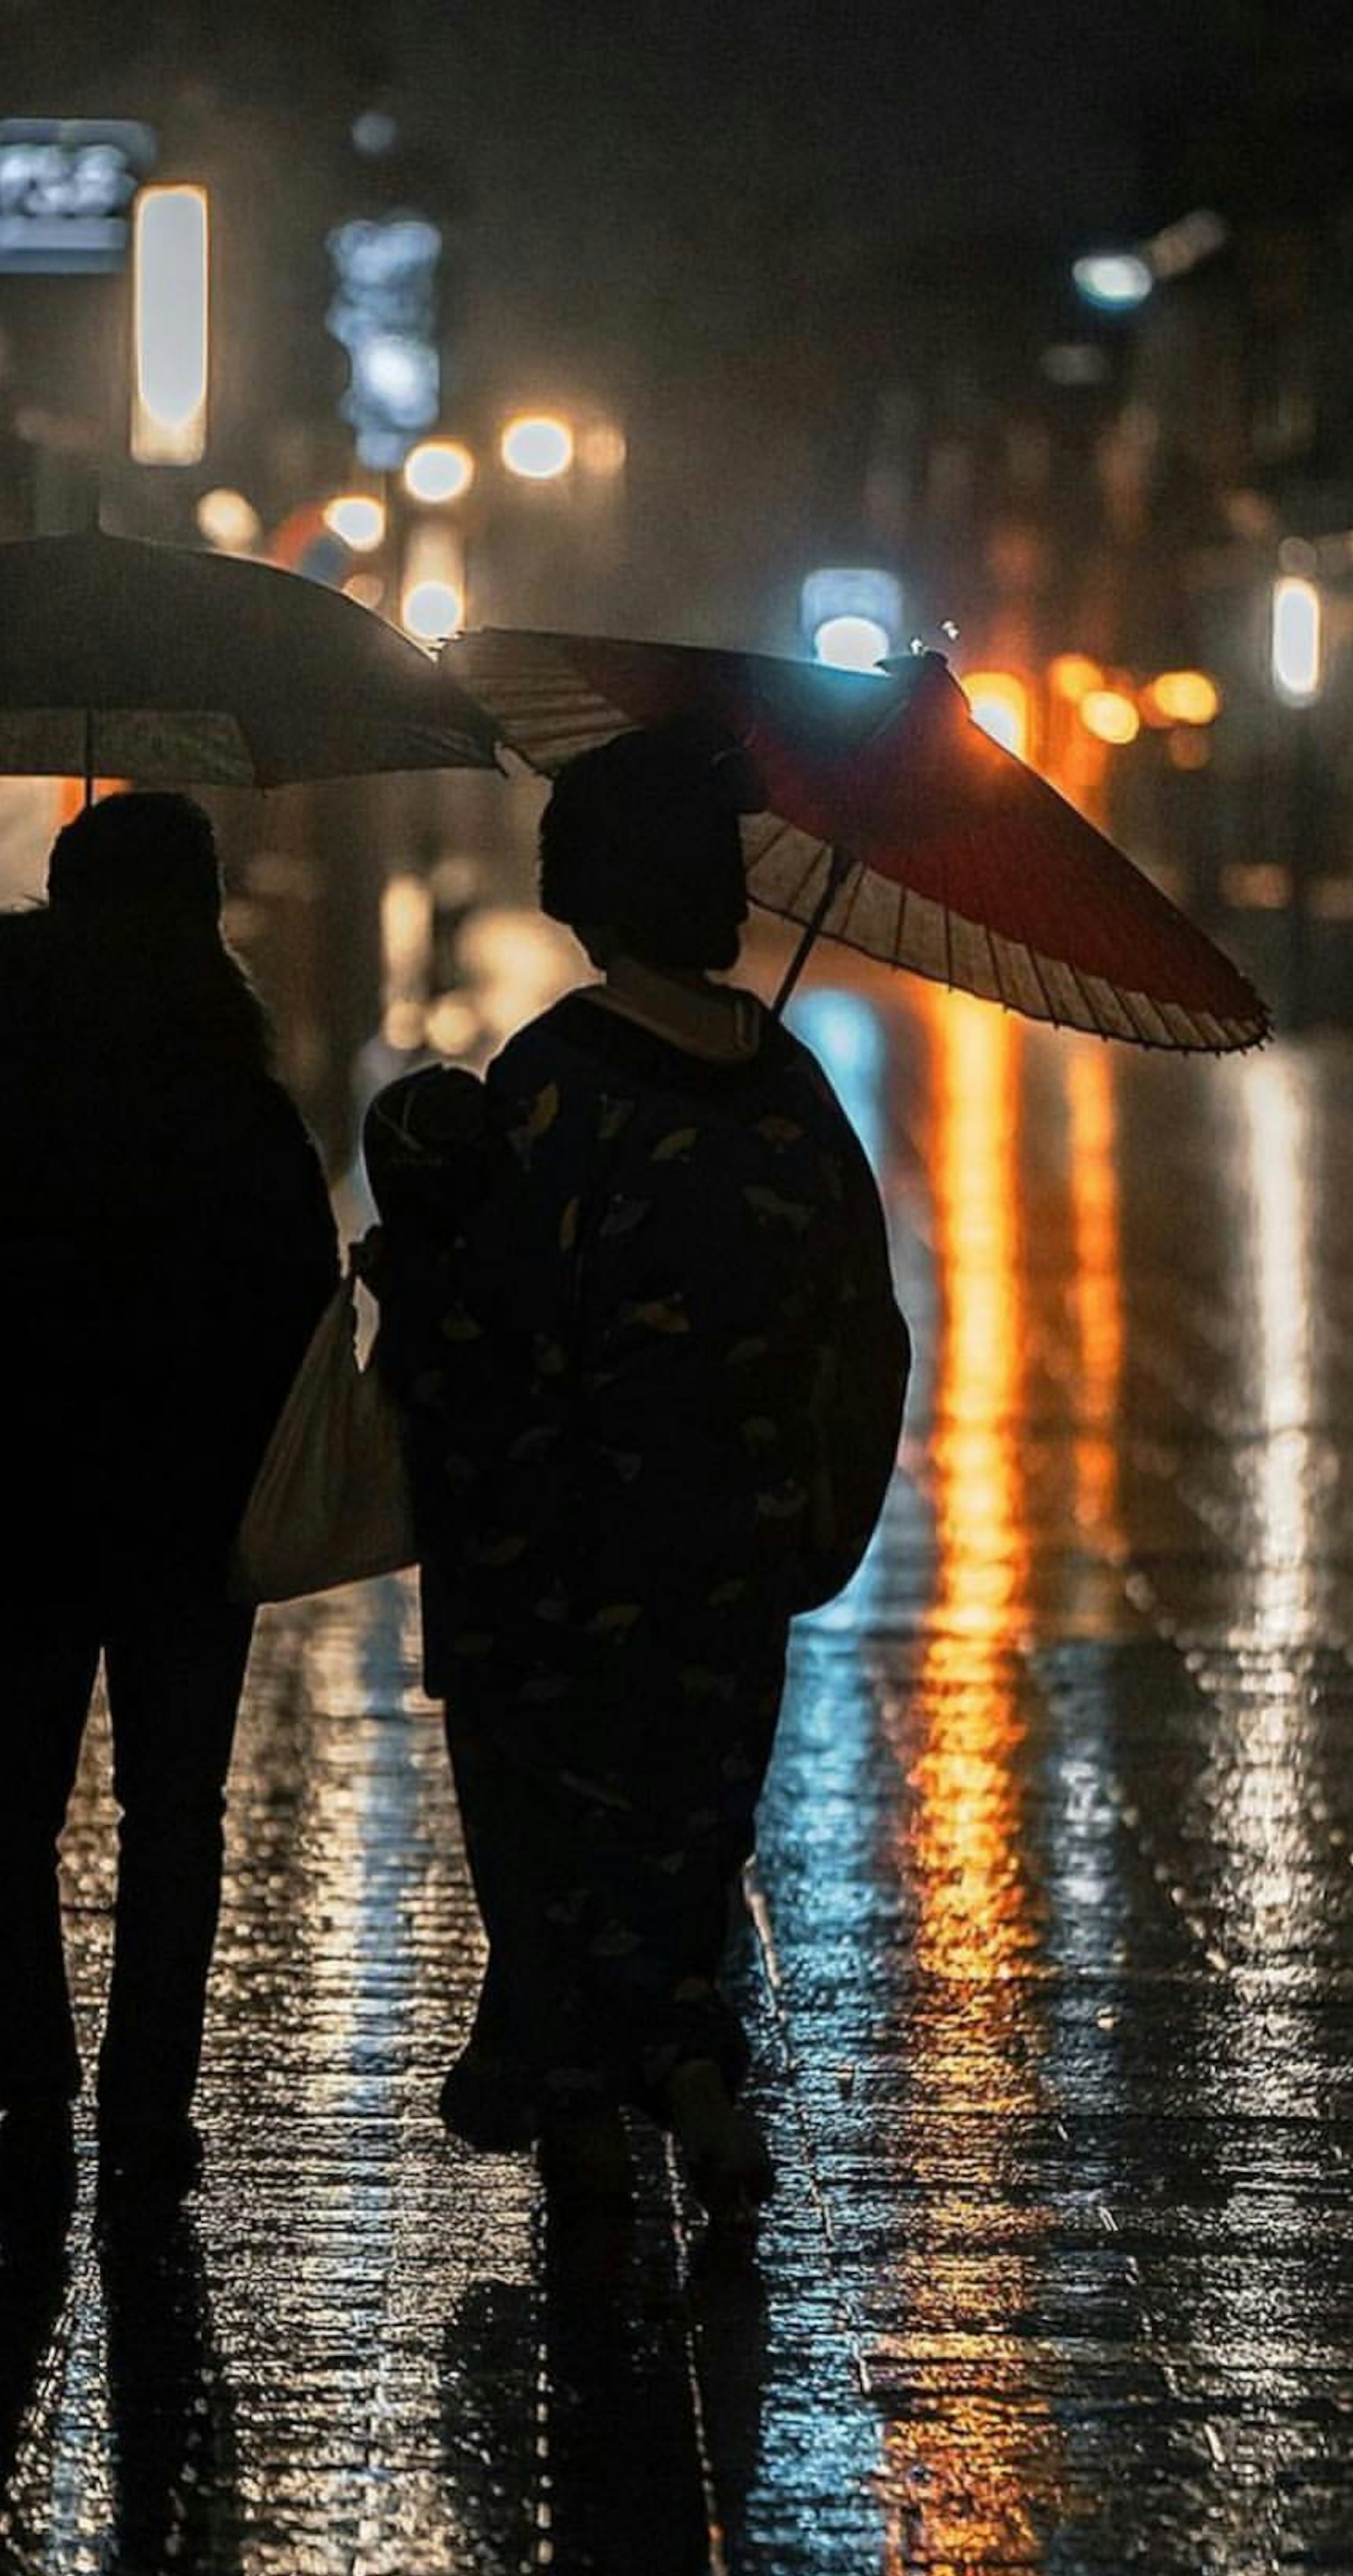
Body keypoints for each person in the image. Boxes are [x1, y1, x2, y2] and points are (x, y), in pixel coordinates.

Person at [366, 719, 909, 2214]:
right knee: (688, 1825)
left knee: (549, 1827)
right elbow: (859, 1322)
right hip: (728, 1553)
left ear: (588, 896)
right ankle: (687, 2071)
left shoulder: (555, 1083)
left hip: (552, 1555)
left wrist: (408, 1268)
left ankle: (587, 2110)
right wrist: (809, 1515)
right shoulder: (792, 1093)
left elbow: (491, 1324)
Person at [0, 792, 337, 2231]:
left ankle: (30, 2094)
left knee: (7, 1801)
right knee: (173, 1811)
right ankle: (147, 2108)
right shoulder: (239, 1104)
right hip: (190, 1510)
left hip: (7, 1486)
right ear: (202, 923)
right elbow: (300, 1306)